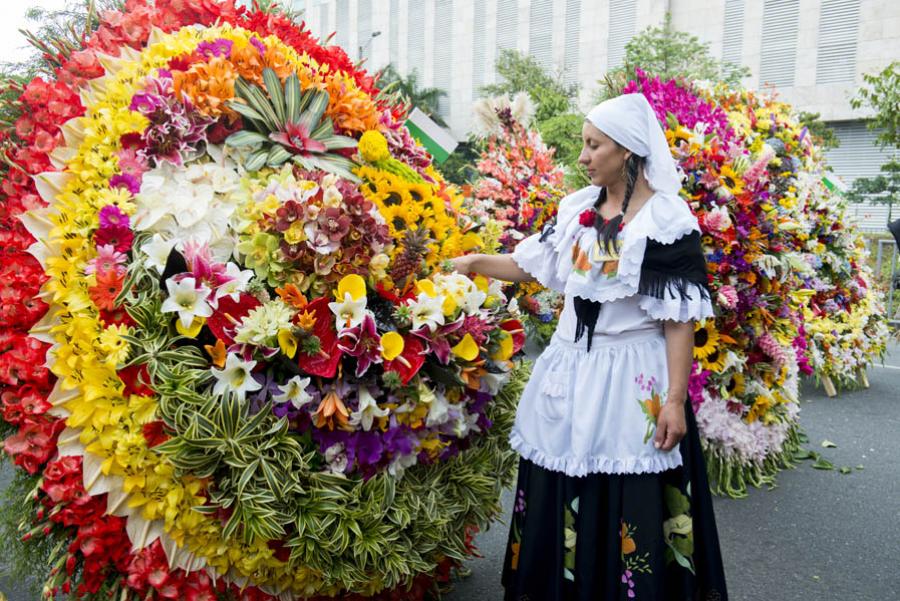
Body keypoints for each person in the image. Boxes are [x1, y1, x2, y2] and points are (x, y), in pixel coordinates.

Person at [451, 93, 728, 600]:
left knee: (628, 486)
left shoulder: (664, 221)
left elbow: (680, 322)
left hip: (630, 379)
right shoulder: (578, 209)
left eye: (593, 146)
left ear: (626, 150)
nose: (582, 157)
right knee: (562, 477)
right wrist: (475, 262)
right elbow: (535, 265)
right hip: (572, 369)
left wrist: (673, 400)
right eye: (584, 145)